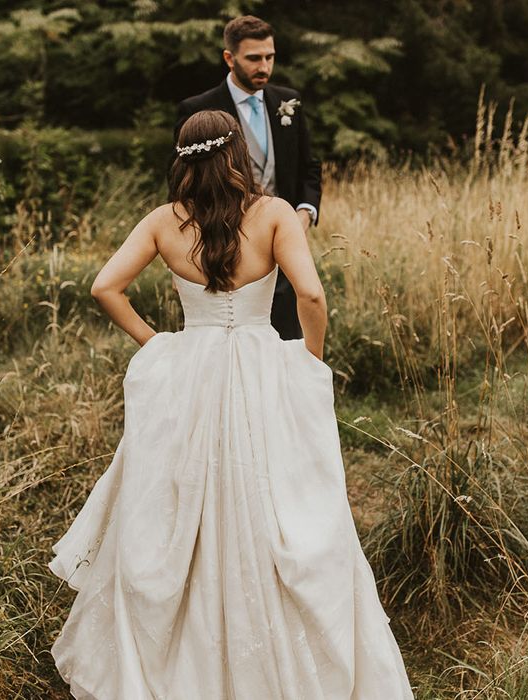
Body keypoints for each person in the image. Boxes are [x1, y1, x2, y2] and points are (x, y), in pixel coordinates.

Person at [48, 110, 414, 699]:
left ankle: (181, 654)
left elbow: (103, 287)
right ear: (239, 151)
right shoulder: (273, 215)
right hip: (261, 367)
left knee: (181, 499)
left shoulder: (165, 222)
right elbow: (311, 294)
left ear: (184, 158)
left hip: (188, 369)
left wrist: (158, 343)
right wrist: (308, 360)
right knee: (276, 497)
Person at [174, 15, 321, 341]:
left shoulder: (288, 102)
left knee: (285, 339)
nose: (264, 66)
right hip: (224, 247)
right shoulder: (198, 108)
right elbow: (184, 181)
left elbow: (309, 167)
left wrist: (304, 214)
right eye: (254, 58)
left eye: (269, 57)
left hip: (283, 241)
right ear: (229, 58)